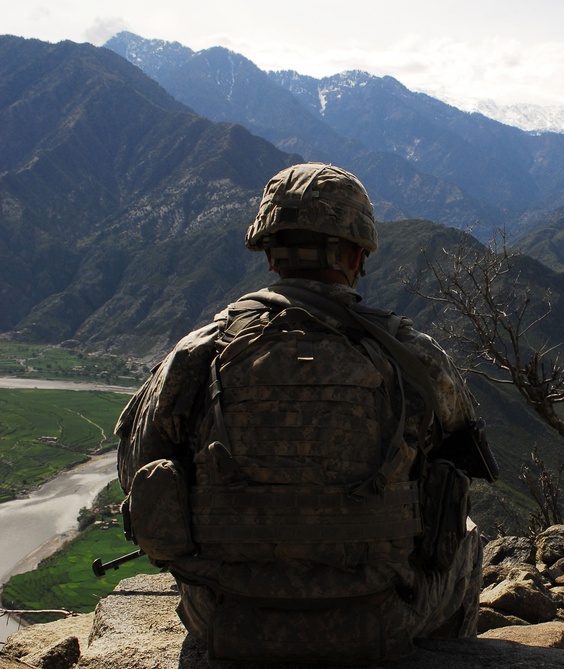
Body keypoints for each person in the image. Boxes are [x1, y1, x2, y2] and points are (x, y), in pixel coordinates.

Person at [115, 163, 497, 664]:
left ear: (271, 256)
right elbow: (464, 456)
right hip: (381, 617)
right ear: (357, 254)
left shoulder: (199, 352)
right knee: (465, 533)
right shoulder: (412, 354)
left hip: (227, 617)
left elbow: (136, 470)